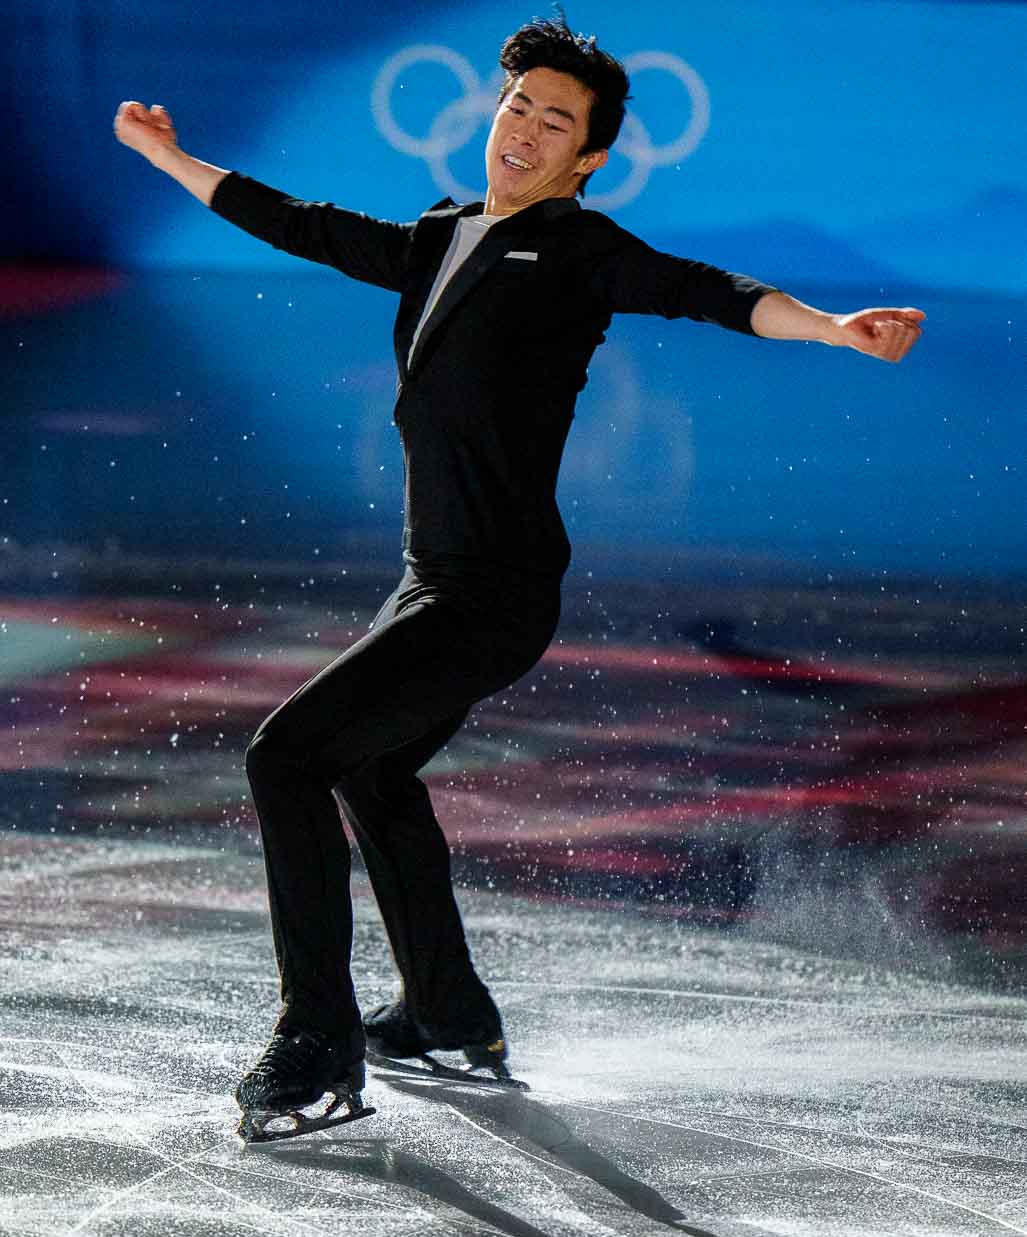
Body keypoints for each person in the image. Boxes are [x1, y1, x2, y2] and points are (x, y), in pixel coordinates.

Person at [114, 17, 924, 1140]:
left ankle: (316, 1040)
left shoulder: (579, 252)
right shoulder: (442, 233)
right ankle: (449, 1010)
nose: (527, 131)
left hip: (490, 592)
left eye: (557, 121)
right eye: (517, 107)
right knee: (372, 769)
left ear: (587, 157)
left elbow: (704, 288)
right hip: (429, 578)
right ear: (491, 115)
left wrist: (833, 330)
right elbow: (304, 225)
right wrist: (167, 157)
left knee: (287, 755)